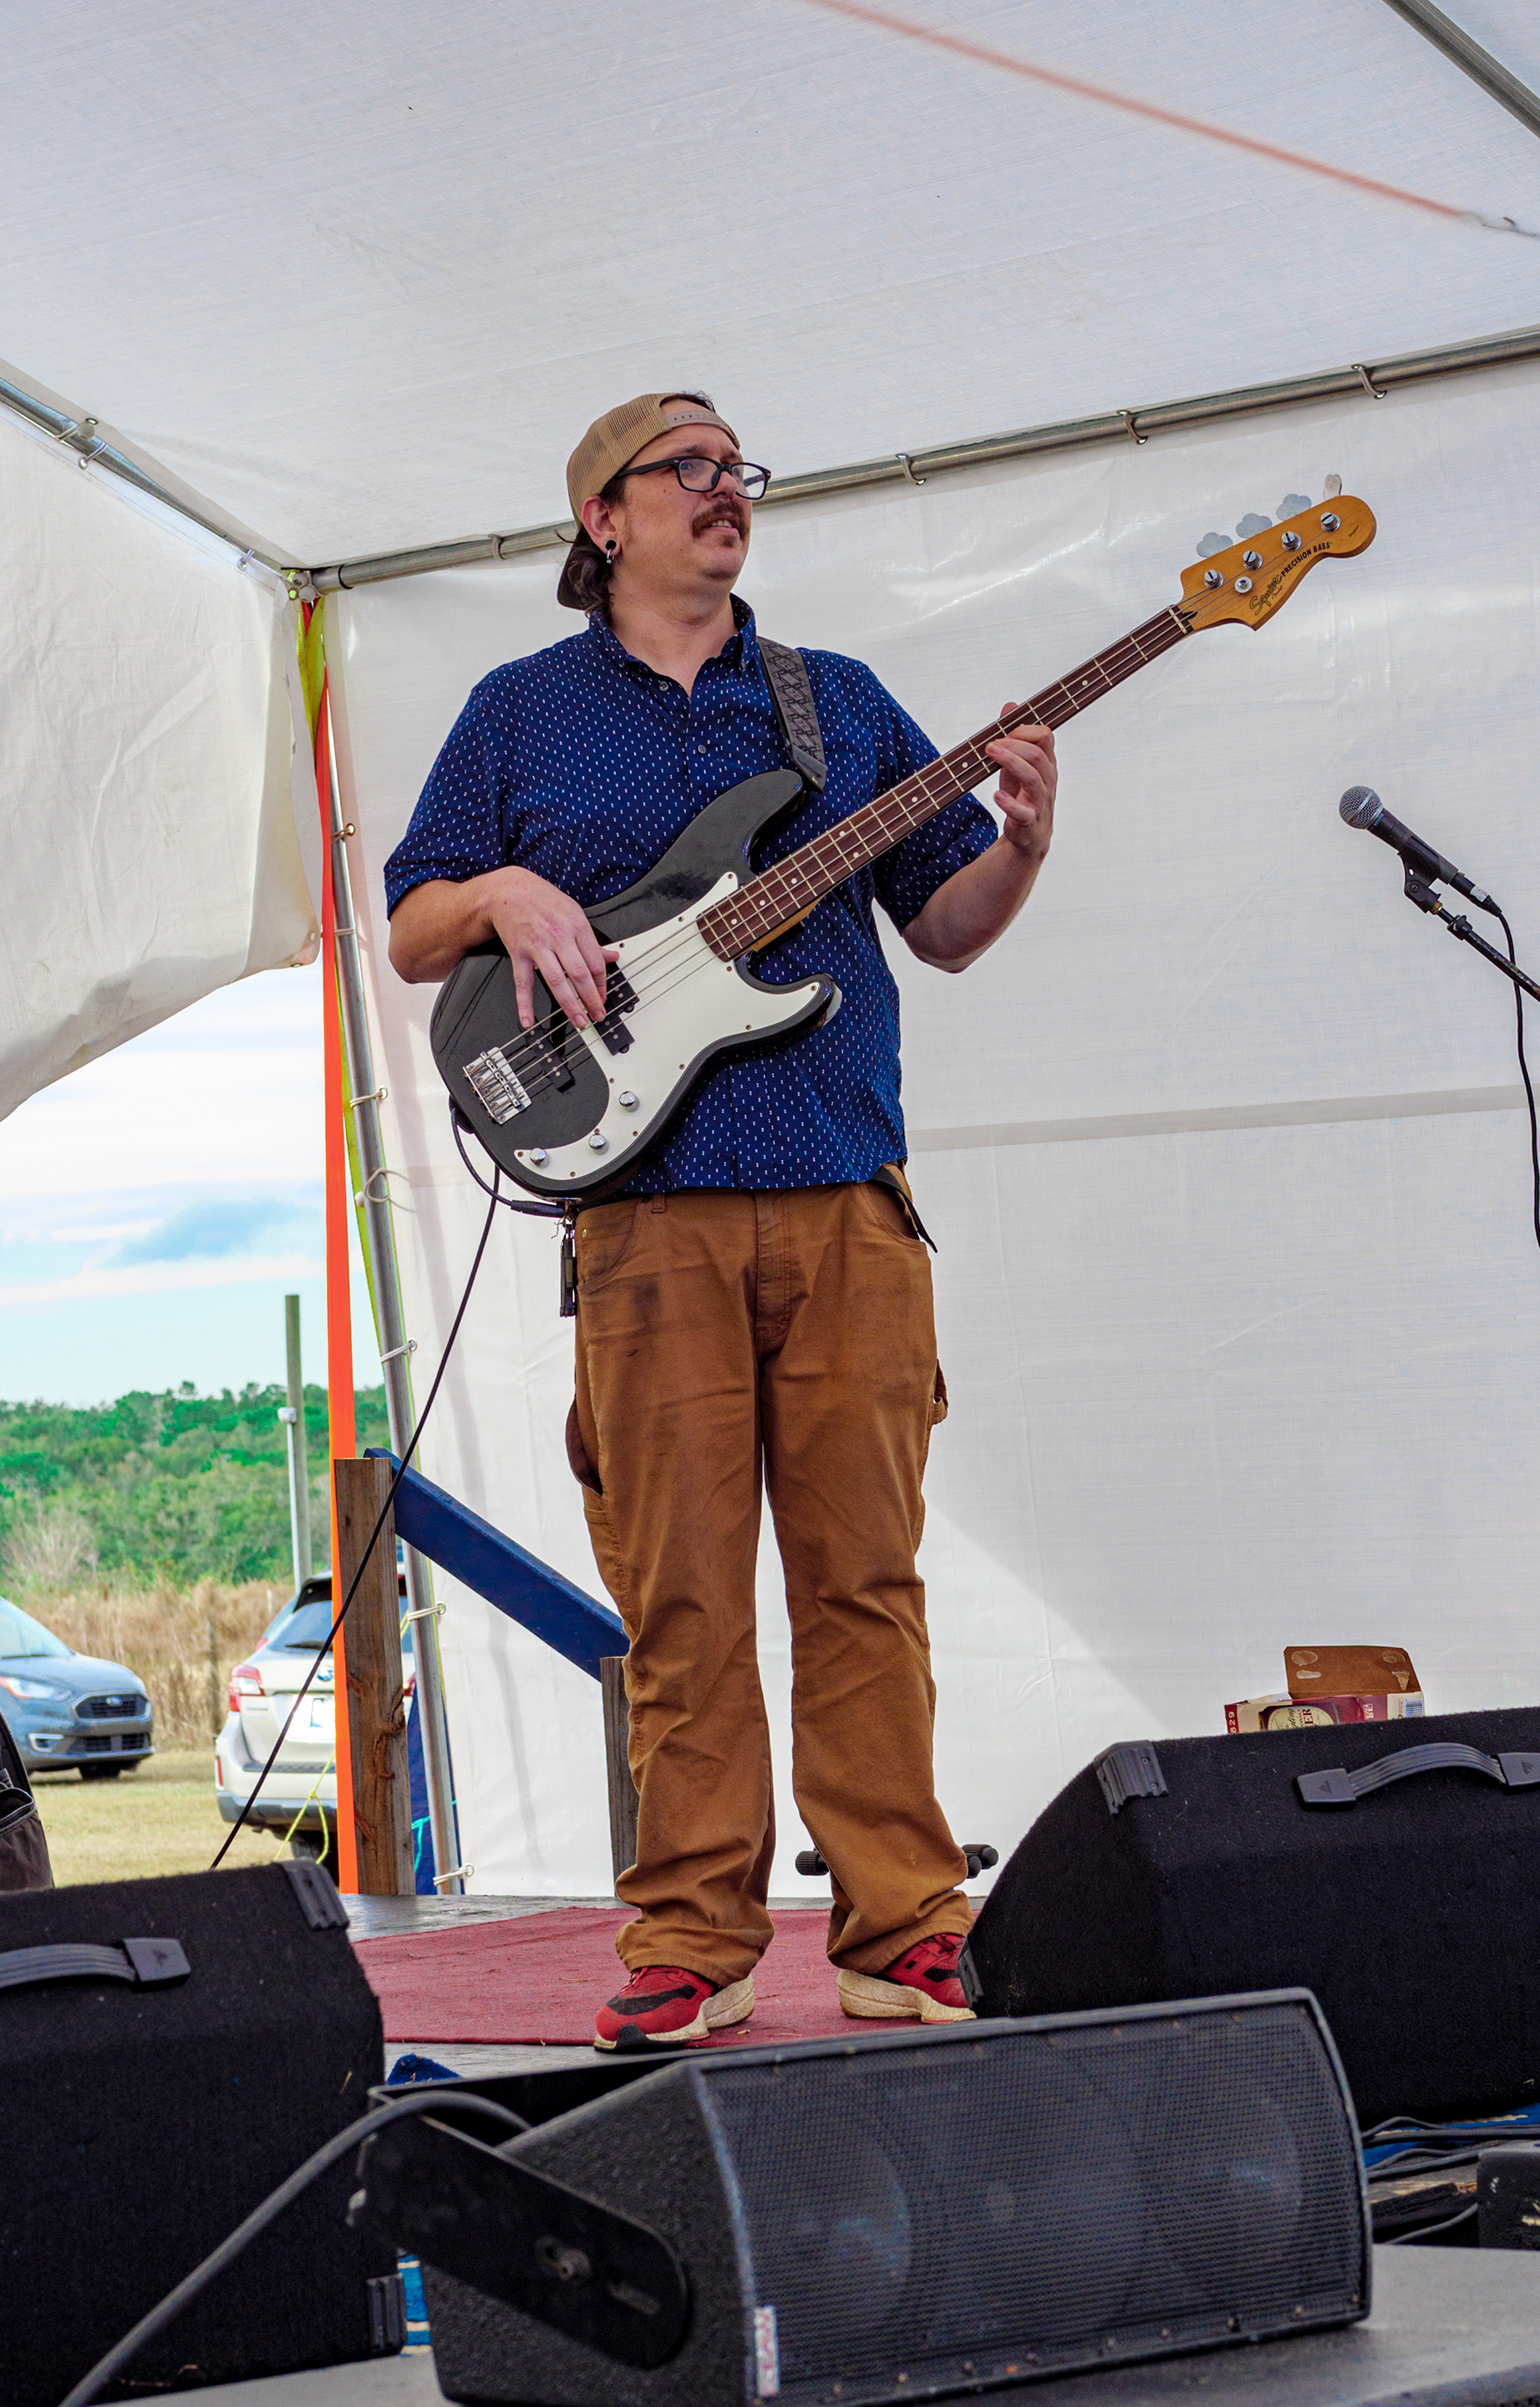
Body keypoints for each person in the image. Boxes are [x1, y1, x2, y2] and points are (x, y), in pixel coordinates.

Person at [386, 391, 1057, 2049]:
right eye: (687, 466)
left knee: (865, 1585)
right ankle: (693, 1938)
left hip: (843, 1199)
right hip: (643, 1218)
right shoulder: (520, 712)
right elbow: (413, 924)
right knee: (679, 1595)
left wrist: (1026, 844)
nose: (724, 487)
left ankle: (903, 1930)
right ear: (602, 517)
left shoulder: (842, 702)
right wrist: (504, 892)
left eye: (736, 467)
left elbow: (948, 926)